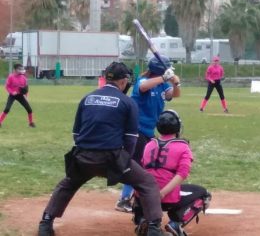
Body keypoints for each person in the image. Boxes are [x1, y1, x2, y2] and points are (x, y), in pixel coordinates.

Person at [38, 62, 166, 236]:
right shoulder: (128, 102)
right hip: (112, 158)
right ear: (122, 82)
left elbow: (76, 133)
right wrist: (123, 162)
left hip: (82, 156)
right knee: (147, 183)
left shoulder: (87, 98)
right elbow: (130, 139)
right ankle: (153, 229)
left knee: (67, 184)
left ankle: (46, 222)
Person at [115, 56, 181, 212]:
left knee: (142, 165)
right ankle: (124, 200)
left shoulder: (163, 84)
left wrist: (175, 83)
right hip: (135, 130)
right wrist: (164, 77)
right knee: (136, 164)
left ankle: (135, 197)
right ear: (159, 70)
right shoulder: (143, 80)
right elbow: (143, 87)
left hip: (149, 131)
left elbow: (174, 94)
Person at [132, 110, 211, 236]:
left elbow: (141, 170)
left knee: (140, 186)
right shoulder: (183, 146)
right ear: (177, 127)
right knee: (204, 194)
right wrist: (162, 193)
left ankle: (141, 219)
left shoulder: (149, 144)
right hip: (168, 199)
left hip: (146, 198)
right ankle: (175, 223)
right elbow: (182, 173)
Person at [0, 63, 35, 128]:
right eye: (19, 69)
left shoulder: (23, 78)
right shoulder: (11, 77)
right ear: (15, 70)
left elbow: (25, 89)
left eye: (21, 69)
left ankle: (31, 123)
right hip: (12, 95)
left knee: (29, 109)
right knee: (7, 109)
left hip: (20, 95)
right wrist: (12, 92)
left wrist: (26, 96)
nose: (21, 70)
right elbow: (7, 87)